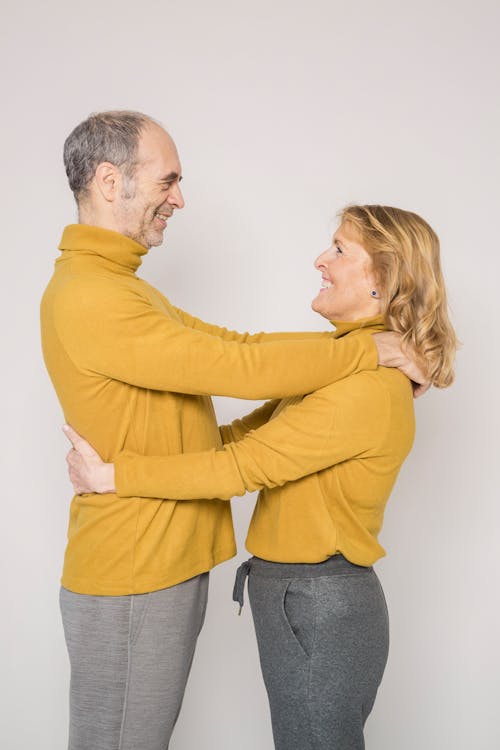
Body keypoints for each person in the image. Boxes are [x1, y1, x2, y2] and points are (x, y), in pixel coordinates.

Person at [41, 109, 423, 750]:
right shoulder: (92, 296)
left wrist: (369, 350)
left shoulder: (125, 289)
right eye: (168, 180)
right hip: (136, 563)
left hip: (162, 556)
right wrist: (372, 349)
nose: (179, 198)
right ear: (110, 182)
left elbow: (235, 352)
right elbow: (237, 367)